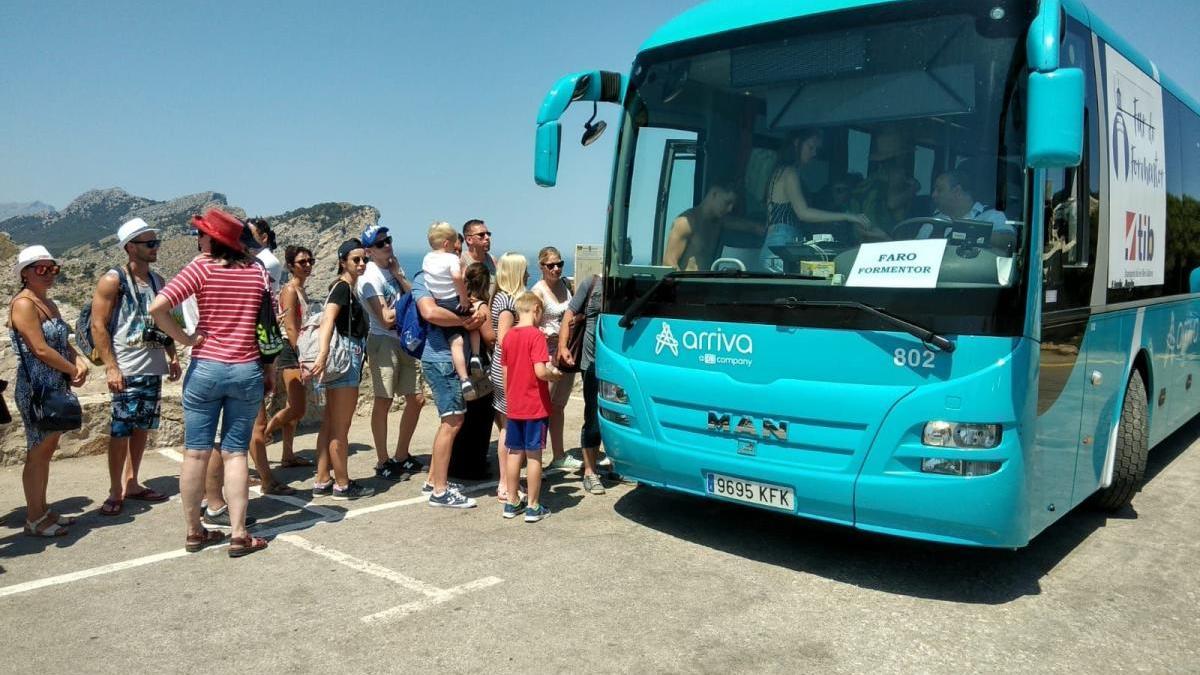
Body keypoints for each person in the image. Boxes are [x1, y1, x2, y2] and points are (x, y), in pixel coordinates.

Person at [149, 208, 269, 557]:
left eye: (200, 234)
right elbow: (268, 322)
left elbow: (158, 308)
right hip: (246, 369)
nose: (197, 239)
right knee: (234, 455)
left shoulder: (200, 267)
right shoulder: (257, 272)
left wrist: (185, 340)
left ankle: (193, 531)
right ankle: (238, 532)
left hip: (205, 368)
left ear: (211, 240)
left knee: (196, 453)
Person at [91, 218, 181, 516]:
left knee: (142, 427)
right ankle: (115, 489)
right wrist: (111, 368)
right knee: (121, 430)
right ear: (130, 247)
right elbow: (98, 325)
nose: (156, 248)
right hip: (127, 366)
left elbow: (163, 320)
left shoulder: (157, 281)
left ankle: (132, 481)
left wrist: (172, 355)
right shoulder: (113, 280)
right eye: (149, 243)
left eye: (156, 242)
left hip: (151, 365)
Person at [8, 246, 89, 537]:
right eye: (42, 268)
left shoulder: (48, 303)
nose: (49, 274)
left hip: (54, 384)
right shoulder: (24, 304)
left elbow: (61, 342)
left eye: (53, 268)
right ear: (26, 273)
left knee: (46, 449)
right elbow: (39, 348)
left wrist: (77, 361)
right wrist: (70, 368)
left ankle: (42, 509)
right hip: (36, 388)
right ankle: (34, 517)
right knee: (38, 452)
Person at [411, 255, 490, 508]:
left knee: (449, 420)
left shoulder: (452, 287)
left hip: (447, 362)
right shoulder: (425, 281)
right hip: (442, 361)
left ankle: (434, 480)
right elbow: (430, 312)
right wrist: (466, 322)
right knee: (453, 422)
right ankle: (440, 492)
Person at [357, 224, 426, 482]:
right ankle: (383, 459)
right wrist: (408, 306)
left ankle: (401, 454)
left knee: (417, 399)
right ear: (369, 251)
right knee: (383, 401)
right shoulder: (369, 278)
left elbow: (416, 296)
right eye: (380, 243)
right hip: (384, 342)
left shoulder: (393, 269)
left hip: (404, 341)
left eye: (388, 240)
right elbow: (385, 318)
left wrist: (399, 275)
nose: (387, 245)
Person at [309, 239, 374, 500]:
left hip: (343, 358)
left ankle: (323, 478)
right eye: (355, 259)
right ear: (342, 262)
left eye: (363, 259)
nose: (361, 264)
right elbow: (328, 318)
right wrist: (323, 352)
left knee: (329, 423)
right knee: (341, 427)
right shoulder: (343, 289)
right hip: (346, 357)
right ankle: (343, 484)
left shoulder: (345, 288)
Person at [761, 130, 872, 272]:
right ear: (796, 144)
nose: (814, 153)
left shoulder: (779, 171)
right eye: (810, 147)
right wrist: (847, 216)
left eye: (816, 149)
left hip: (776, 245)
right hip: (781, 248)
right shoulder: (790, 173)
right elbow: (803, 213)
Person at [242, 217, 295, 495]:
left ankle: (260, 475)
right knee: (256, 422)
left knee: (250, 423)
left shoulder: (260, 265)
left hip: (238, 353)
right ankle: (266, 479)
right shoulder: (264, 266)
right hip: (252, 351)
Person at [501, 292, 563, 522]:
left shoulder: (508, 337)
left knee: (514, 452)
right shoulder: (536, 336)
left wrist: (510, 398)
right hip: (535, 404)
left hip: (514, 403)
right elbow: (540, 370)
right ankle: (533, 505)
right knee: (534, 455)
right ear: (536, 310)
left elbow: (506, 372)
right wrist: (553, 375)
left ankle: (511, 501)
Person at [263, 245, 316, 469]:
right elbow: (291, 327)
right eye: (301, 262)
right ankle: (263, 433)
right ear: (290, 266)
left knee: (292, 406)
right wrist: (302, 354)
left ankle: (287, 454)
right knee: (297, 408)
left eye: (309, 261)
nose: (307, 265)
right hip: (290, 350)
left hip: (297, 348)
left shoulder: (300, 289)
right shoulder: (290, 290)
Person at [530, 246, 579, 471]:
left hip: (565, 352)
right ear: (541, 267)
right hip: (546, 354)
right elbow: (528, 325)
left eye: (559, 264)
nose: (556, 268)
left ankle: (558, 455)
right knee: (541, 408)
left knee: (558, 406)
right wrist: (548, 333)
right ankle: (534, 460)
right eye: (551, 265)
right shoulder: (537, 291)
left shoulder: (567, 285)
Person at [422, 221, 484, 400]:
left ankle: (464, 379)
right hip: (454, 301)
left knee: (455, 341)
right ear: (447, 244)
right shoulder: (451, 258)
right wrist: (464, 297)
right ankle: (476, 357)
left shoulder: (427, 258)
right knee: (474, 322)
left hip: (439, 302)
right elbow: (456, 277)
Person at [557, 272, 605, 495]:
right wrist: (563, 346)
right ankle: (589, 471)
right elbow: (570, 314)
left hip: (619, 362)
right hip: (592, 360)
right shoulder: (592, 282)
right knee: (593, 415)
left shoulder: (628, 284)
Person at [489, 253, 527, 502]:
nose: (528, 273)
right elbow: (504, 340)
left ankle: (508, 480)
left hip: (505, 368)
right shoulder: (506, 301)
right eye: (524, 269)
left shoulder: (503, 297)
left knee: (508, 425)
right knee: (508, 427)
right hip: (508, 370)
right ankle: (505, 483)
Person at [851, 129, 921, 238]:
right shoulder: (897, 174)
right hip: (885, 236)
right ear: (900, 155)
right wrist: (914, 188)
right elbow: (892, 203)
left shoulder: (873, 178)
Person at [926, 168, 1013, 249]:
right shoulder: (934, 221)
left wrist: (973, 234)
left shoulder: (991, 215)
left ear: (957, 191)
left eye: (939, 190)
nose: (934, 195)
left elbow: (1011, 241)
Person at [662, 183, 742, 271]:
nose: (730, 209)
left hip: (708, 283)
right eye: (727, 202)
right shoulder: (686, 222)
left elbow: (751, 227)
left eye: (733, 205)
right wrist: (683, 283)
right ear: (714, 194)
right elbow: (668, 263)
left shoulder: (719, 223)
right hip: (688, 283)